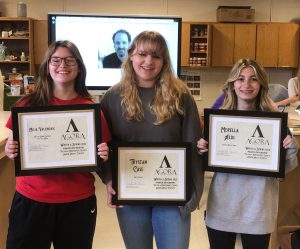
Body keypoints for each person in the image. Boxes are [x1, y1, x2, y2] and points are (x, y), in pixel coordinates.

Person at [100, 31, 204, 249]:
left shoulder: (181, 95)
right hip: (130, 194)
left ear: (164, 61)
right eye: (142, 54)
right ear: (131, 56)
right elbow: (103, 146)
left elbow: (193, 145)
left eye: (156, 56)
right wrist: (109, 178)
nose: (148, 61)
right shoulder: (112, 97)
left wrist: (194, 193)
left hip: (173, 195)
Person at [4, 40, 110, 249]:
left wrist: (103, 153)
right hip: (31, 199)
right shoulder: (28, 105)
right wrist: (10, 150)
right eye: (56, 60)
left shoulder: (91, 111)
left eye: (70, 60)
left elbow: (102, 152)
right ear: (47, 66)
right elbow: (12, 145)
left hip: (77, 202)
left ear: (79, 67)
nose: (63, 65)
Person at [197, 58, 299, 249]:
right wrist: (202, 149)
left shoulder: (274, 123)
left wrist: (291, 149)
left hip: (258, 210)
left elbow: (287, 167)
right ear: (232, 84)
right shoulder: (218, 121)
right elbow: (207, 162)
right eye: (240, 78)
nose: (246, 84)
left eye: (253, 79)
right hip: (222, 207)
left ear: (261, 84)